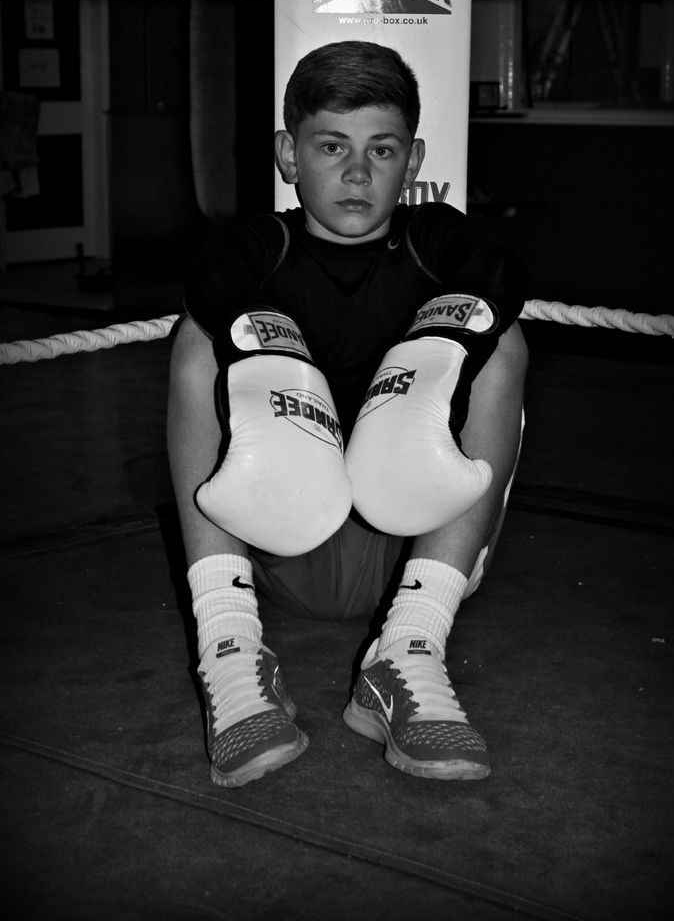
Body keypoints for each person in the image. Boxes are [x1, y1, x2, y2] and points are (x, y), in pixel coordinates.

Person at [167, 40, 529, 788]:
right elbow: (210, 275)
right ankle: (230, 651)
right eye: (332, 146)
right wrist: (267, 346)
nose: (358, 173)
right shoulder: (264, 245)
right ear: (289, 155)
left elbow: (499, 271)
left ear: (414, 158)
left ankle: (408, 651)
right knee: (198, 339)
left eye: (382, 149)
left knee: (502, 341)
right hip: (284, 535)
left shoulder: (433, 240)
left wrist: (437, 341)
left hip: (415, 543)